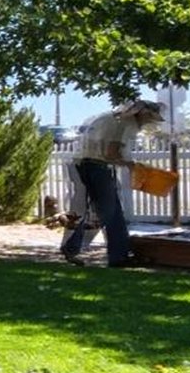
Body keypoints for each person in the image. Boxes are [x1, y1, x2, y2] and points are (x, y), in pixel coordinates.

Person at [60, 97, 168, 267]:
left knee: (100, 212)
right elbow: (111, 154)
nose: (148, 123)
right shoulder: (126, 123)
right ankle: (113, 255)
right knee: (110, 213)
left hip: (83, 164)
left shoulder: (109, 117)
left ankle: (79, 248)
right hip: (97, 167)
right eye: (149, 118)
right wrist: (132, 166)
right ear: (142, 114)